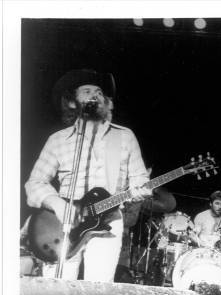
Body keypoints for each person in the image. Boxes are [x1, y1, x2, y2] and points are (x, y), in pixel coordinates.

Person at [24, 69, 151, 282]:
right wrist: (57, 204)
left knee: (97, 291)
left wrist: (142, 189)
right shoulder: (58, 139)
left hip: (108, 221)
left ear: (107, 102)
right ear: (73, 102)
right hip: (61, 223)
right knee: (58, 291)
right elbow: (34, 183)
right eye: (87, 90)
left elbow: (140, 179)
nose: (95, 94)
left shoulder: (124, 136)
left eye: (100, 92)